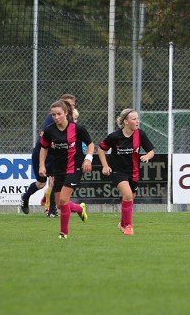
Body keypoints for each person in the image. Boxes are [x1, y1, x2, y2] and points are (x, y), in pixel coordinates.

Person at [38, 99, 94, 238]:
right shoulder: (49, 130)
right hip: (59, 168)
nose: (56, 117)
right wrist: (41, 165)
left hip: (74, 167)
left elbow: (90, 144)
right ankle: (79, 208)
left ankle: (63, 233)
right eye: (53, 115)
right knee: (59, 204)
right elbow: (43, 148)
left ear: (66, 113)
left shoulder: (77, 128)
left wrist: (88, 159)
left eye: (59, 114)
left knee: (63, 200)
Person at [97, 108, 156, 236]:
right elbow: (101, 149)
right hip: (118, 171)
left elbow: (151, 151)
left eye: (137, 118)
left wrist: (147, 156)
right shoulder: (115, 136)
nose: (137, 121)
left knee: (130, 198)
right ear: (126, 121)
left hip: (133, 172)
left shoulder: (140, 134)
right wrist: (105, 166)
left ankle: (122, 223)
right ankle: (128, 227)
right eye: (134, 119)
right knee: (128, 195)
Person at [21, 93, 78, 217]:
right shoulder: (52, 117)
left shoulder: (70, 119)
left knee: (56, 182)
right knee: (41, 183)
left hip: (57, 155)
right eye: (68, 104)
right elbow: (44, 136)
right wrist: (54, 142)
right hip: (42, 152)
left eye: (72, 105)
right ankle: (25, 197)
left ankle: (52, 211)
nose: (71, 107)